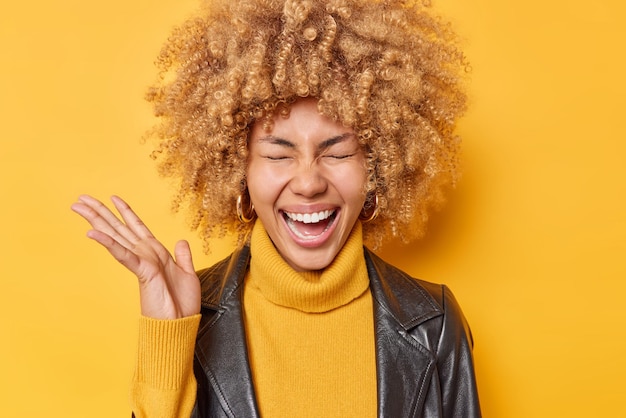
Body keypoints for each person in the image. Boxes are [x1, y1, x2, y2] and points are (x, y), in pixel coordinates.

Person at [72, 0, 481, 416]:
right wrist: (169, 343)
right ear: (239, 170)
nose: (308, 183)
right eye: (278, 155)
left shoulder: (434, 324)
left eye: (337, 154)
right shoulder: (189, 318)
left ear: (376, 168)